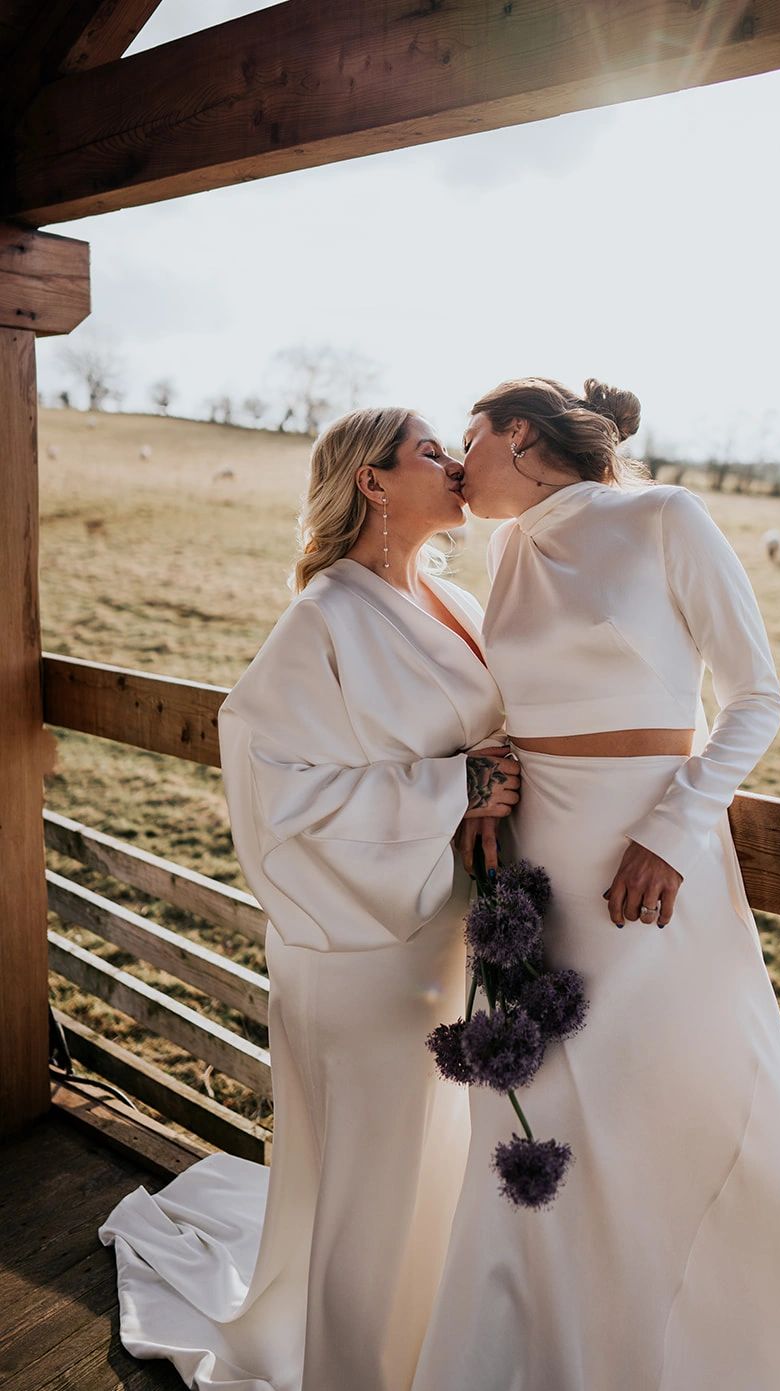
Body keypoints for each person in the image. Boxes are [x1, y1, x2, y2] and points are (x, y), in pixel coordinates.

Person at [412, 377, 780, 1391]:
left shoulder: (665, 517)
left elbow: (756, 696)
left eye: (470, 438)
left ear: (519, 432)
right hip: (537, 863)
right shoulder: (509, 549)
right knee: (544, 1103)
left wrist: (673, 830)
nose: (458, 463)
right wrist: (490, 780)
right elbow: (522, 700)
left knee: (679, 1094)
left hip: (651, 860)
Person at [99, 406, 516, 1391]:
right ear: (372, 481)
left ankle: (430, 1349)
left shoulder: (454, 599)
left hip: (443, 922)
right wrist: (453, 786)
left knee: (433, 1154)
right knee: (373, 1170)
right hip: (358, 940)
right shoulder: (323, 616)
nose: (454, 464)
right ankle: (355, 1366)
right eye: (429, 452)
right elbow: (276, 786)